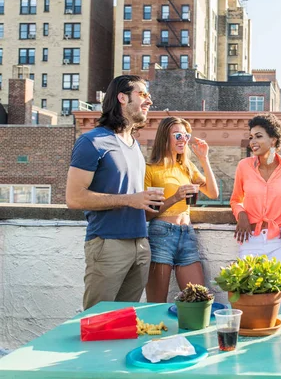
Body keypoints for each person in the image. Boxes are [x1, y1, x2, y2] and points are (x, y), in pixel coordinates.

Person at [66, 75, 164, 310]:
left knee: (124, 323)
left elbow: (135, 196)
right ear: (122, 98)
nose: (149, 101)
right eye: (142, 94)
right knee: (97, 322)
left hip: (140, 244)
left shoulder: (134, 144)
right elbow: (74, 197)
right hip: (108, 244)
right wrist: (131, 200)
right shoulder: (92, 141)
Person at [144, 117, 219, 303]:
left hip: (186, 234)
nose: (183, 139)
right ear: (164, 137)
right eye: (178, 134)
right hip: (160, 234)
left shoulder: (187, 167)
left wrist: (204, 158)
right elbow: (145, 214)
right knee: (155, 303)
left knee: (199, 300)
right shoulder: (150, 169)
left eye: (186, 135)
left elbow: (213, 193)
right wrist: (176, 197)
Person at [230, 113, 281, 263]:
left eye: (258, 136)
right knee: (246, 286)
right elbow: (235, 200)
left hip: (279, 239)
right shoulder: (243, 166)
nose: (252, 141)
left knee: (276, 285)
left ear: (273, 140)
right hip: (249, 237)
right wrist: (242, 214)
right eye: (251, 137)